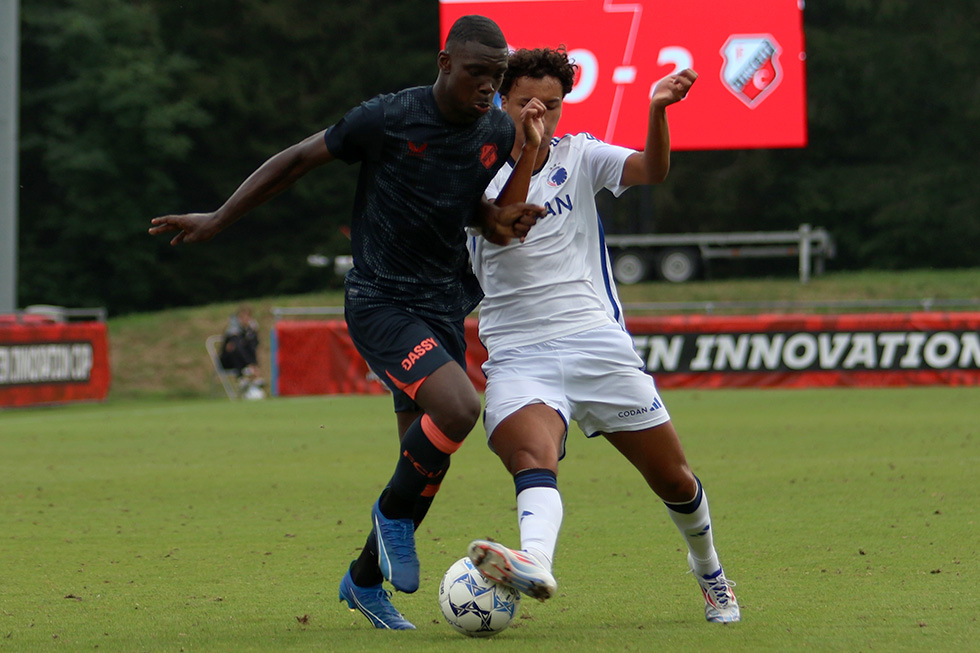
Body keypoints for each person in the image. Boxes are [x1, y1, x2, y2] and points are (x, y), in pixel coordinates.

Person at [149, 16, 546, 630]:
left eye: (495, 77)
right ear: (444, 63)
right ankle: (387, 519)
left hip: (443, 304)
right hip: (381, 299)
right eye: (475, 74)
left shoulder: (494, 128)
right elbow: (296, 161)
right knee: (460, 410)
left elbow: (474, 210)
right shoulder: (387, 118)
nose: (486, 88)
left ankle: (363, 582)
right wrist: (219, 218)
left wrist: (500, 220)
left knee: (420, 472)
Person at [464, 47, 741, 623]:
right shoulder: (472, 166)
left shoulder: (581, 154)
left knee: (673, 478)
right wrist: (530, 150)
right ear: (501, 101)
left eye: (553, 105)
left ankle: (709, 570)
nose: (541, 114)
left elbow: (652, 170)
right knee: (529, 454)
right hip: (518, 352)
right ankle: (534, 559)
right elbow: (503, 231)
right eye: (526, 103)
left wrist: (658, 110)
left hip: (595, 341)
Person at [219, 305, 265, 399]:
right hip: (229, 361)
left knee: (249, 345)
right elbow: (232, 348)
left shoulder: (250, 330)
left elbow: (254, 346)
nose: (245, 319)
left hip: (244, 362)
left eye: (247, 317)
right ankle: (247, 372)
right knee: (235, 348)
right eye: (242, 317)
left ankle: (249, 373)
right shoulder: (232, 331)